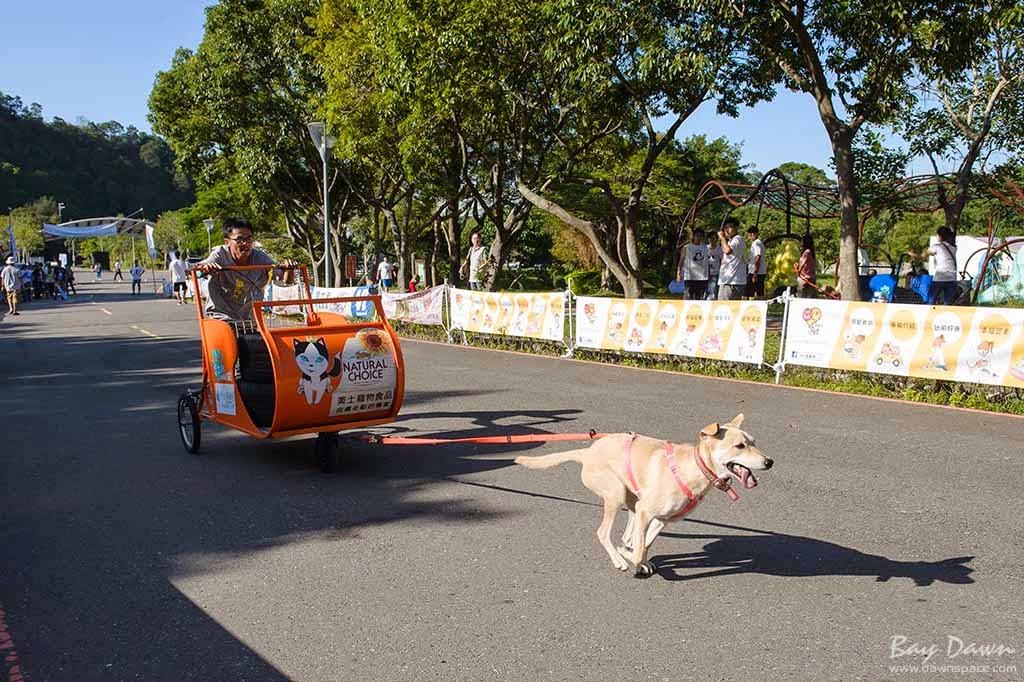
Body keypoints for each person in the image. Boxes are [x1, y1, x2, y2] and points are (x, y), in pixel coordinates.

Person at [192, 217, 295, 321]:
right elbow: (203, 266)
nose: (245, 244)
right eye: (239, 240)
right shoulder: (220, 254)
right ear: (227, 241)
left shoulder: (260, 257)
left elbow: (286, 281)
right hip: (222, 317)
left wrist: (289, 270)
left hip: (250, 318)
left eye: (249, 239)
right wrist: (206, 267)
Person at [915, 227, 959, 305]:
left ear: (940, 236)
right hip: (952, 277)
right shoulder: (953, 248)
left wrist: (912, 254)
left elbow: (922, 257)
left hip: (940, 277)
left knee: (931, 300)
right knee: (948, 303)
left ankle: (928, 315)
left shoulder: (936, 247)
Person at [716, 217, 746, 300]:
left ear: (736, 228)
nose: (727, 230)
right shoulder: (731, 241)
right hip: (730, 280)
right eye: (725, 227)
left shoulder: (737, 239)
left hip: (730, 282)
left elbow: (728, 251)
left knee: (723, 309)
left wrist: (722, 238)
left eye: (730, 227)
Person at [678, 228, 709, 300]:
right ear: (693, 236)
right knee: (688, 297)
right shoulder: (687, 247)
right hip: (690, 277)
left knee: (700, 298)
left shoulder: (706, 247)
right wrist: (678, 273)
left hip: (702, 277)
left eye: (701, 236)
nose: (699, 238)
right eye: (697, 235)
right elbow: (681, 261)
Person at [745, 226, 766, 299]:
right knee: (757, 292)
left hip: (756, 273)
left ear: (756, 234)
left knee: (750, 293)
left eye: (752, 233)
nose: (750, 235)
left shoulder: (756, 244)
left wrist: (755, 273)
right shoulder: (756, 243)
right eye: (749, 233)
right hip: (757, 272)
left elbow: (758, 257)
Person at [795, 234, 817, 298]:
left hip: (804, 277)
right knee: (809, 297)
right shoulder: (812, 252)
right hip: (812, 277)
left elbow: (804, 262)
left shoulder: (806, 252)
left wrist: (798, 270)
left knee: (801, 296)